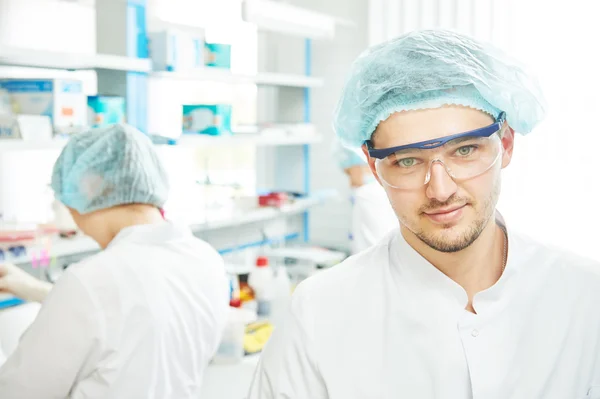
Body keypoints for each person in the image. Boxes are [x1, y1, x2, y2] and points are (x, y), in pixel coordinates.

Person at [248, 29, 600, 398]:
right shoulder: (319, 314)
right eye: (408, 161)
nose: (440, 189)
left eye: (464, 151)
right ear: (373, 167)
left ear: (506, 144)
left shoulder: (586, 298)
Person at [0, 124, 229, 398]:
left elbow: (19, 392)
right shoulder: (206, 260)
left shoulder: (90, 282)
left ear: (88, 186)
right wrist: (34, 289)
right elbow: (133, 316)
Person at [331, 137, 396, 253]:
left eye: (349, 173)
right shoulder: (386, 189)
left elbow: (375, 248)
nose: (350, 183)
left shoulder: (367, 194)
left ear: (359, 165)